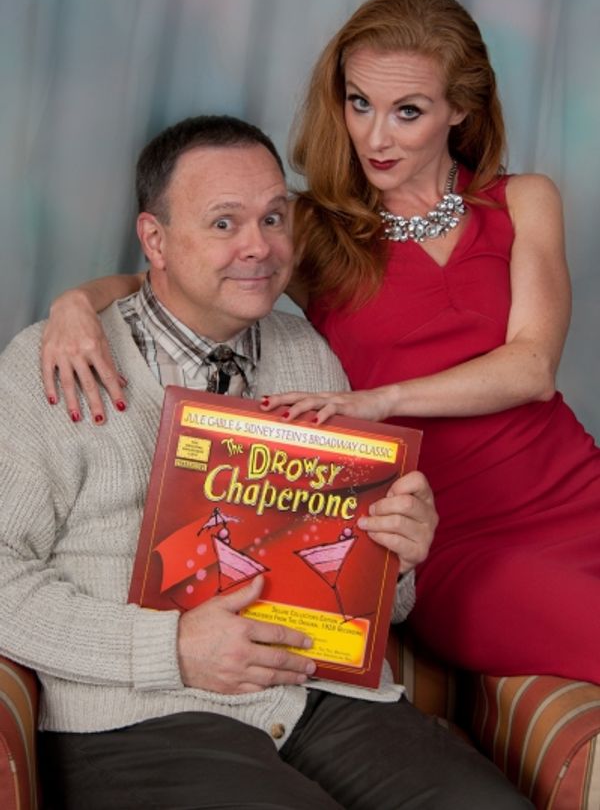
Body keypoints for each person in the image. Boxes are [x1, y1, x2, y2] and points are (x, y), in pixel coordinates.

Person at [41, 0, 600, 689]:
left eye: (408, 112)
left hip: (575, 490)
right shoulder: (310, 229)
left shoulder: (524, 200)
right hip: (445, 538)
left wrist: (374, 400)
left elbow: (531, 368)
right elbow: (178, 277)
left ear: (461, 110)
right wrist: (73, 306)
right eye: (359, 102)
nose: (374, 136)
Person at [0, 114, 531, 810]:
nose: (258, 246)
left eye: (274, 217)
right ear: (154, 240)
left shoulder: (305, 349)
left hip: (323, 696)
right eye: (223, 223)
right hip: (146, 712)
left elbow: (380, 600)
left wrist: (399, 555)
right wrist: (171, 648)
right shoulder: (56, 361)